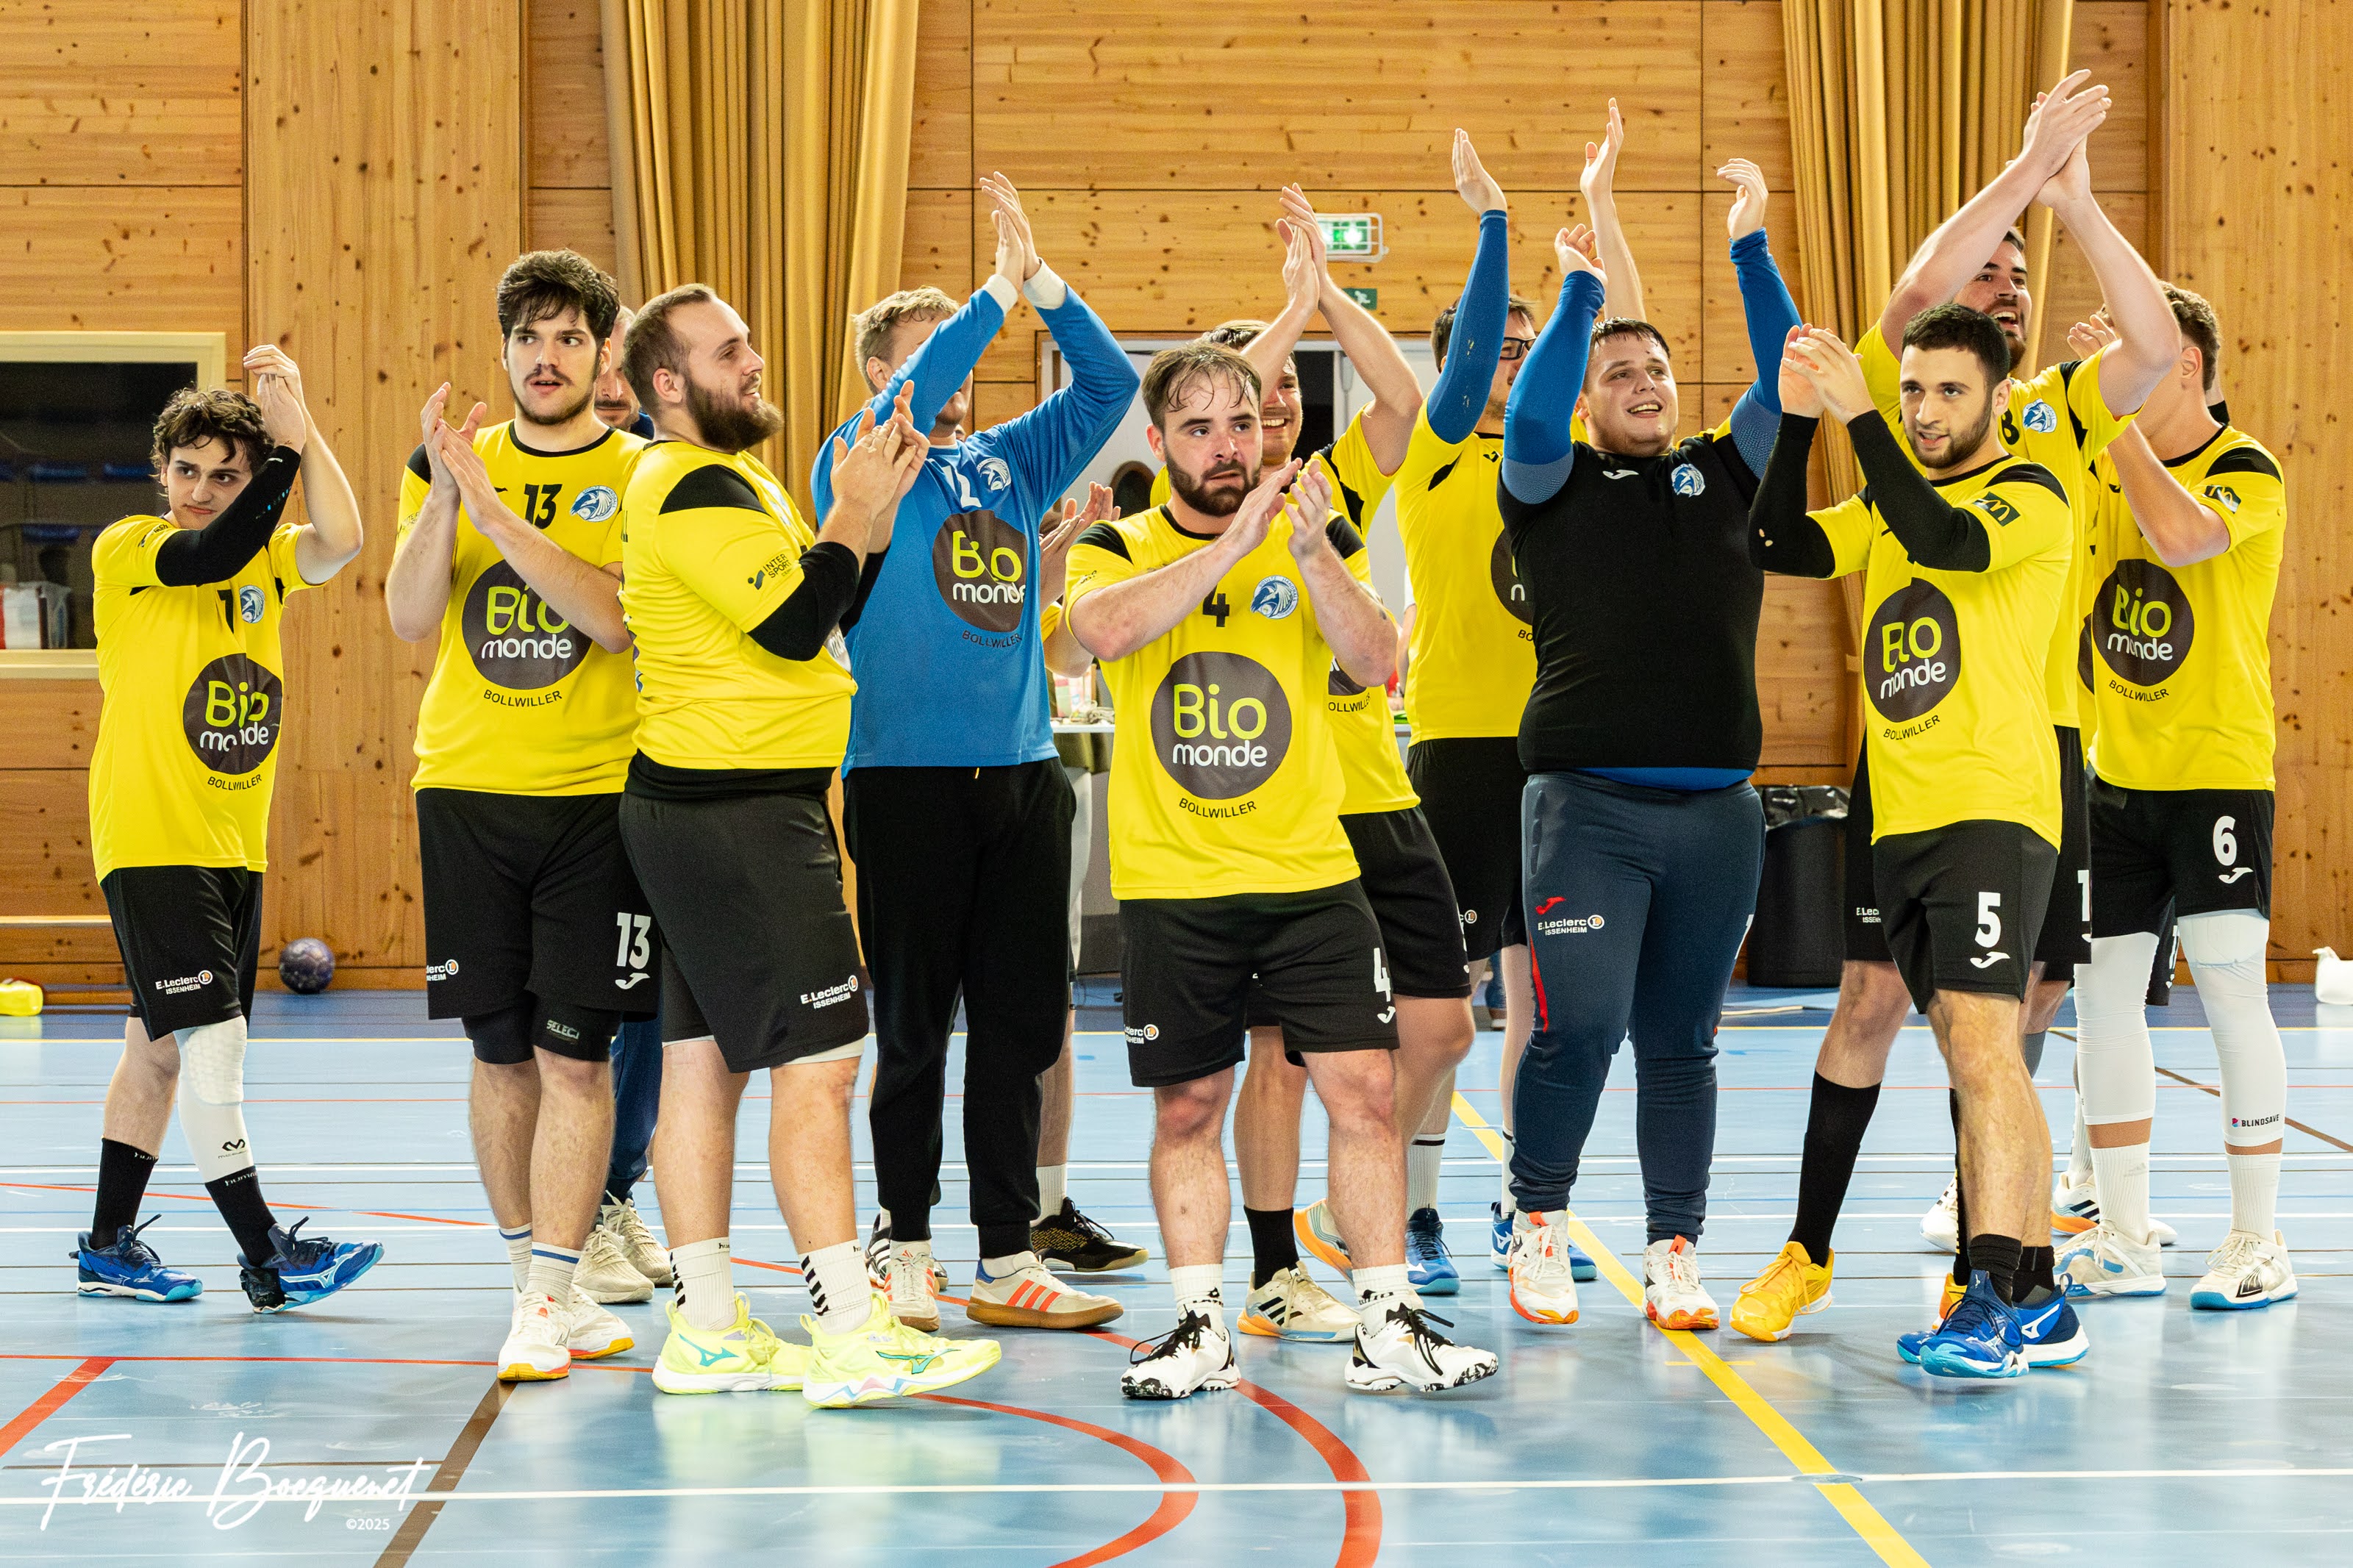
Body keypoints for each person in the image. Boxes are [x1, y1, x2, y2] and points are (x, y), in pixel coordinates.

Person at [1730, 71, 2181, 1342]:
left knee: (1998, 1032)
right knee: (1897, 1009)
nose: (1999, 282)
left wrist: (2073, 199)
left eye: (2017, 277)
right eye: (1986, 269)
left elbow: (2150, 350)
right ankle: (1854, 1256)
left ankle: (2009, 1274)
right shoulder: (1920, 403)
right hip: (1915, 757)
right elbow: (1910, 305)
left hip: (2022, 753)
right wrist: (2020, 176)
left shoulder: (2047, 430)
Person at [1063, 343, 1496, 1398]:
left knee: (1364, 1086)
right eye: (1201, 429)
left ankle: (1390, 1322)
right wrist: (1232, 546)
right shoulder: (1116, 544)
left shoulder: (1305, 535)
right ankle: (1202, 1323)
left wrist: (1312, 560)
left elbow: (1375, 657)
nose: (1226, 447)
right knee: (1187, 1108)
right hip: (1176, 884)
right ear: (1160, 444)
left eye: (1241, 425)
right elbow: (1096, 635)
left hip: (1309, 872)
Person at [615, 282, 1000, 1406]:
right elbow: (791, 625)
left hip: (708, 808)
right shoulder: (687, 486)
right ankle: (848, 1329)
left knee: (702, 1066)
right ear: (671, 384)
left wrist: (861, 521)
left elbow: (827, 608)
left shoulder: (727, 482)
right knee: (823, 1067)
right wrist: (848, 514)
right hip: (739, 815)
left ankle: (710, 1327)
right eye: (731, 349)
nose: (756, 358)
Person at [815, 174, 1138, 1335]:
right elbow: (923, 386)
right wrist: (990, 296)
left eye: (951, 349)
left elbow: (1112, 384)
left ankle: (1006, 1252)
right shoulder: (857, 462)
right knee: (911, 1032)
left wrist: (1043, 285)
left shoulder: (1009, 462)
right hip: (902, 784)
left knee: (1018, 1027)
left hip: (1021, 781)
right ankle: (905, 1245)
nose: (948, 380)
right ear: (880, 377)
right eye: (920, 357)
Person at [1155, 194, 1474, 1328]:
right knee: (1278, 1052)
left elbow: (1407, 397)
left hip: (1378, 795)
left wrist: (1326, 297)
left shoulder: (1334, 480)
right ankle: (1274, 1264)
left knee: (1443, 1023)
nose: (1275, 398)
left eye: (1288, 387)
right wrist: (1277, 330)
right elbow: (1212, 397)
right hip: (1282, 814)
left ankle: (1353, 1204)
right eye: (1258, 390)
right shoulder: (1190, 505)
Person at [1494, 159, 1799, 1333]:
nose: (1643, 383)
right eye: (1618, 372)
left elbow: (1784, 377)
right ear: (1587, 396)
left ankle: (1674, 1246)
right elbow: (1526, 412)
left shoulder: (1727, 470)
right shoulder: (1549, 481)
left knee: (1684, 1042)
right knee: (1581, 1030)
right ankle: (1540, 1221)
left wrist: (1749, 245)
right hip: (1587, 807)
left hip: (1720, 813)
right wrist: (1578, 297)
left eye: (1658, 369)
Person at [1751, 308, 2085, 1378]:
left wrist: (1861, 417)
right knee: (1971, 1049)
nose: (1927, 411)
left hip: (1994, 809)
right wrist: (1802, 424)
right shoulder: (1885, 506)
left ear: (1996, 396)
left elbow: (1947, 540)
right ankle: (2038, 1290)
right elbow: (1777, 542)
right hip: (1900, 816)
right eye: (1911, 393)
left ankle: (1986, 1294)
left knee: (1984, 1045)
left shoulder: (2027, 491)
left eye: (1948, 392)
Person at [385, 250, 649, 1379]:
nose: (547, 359)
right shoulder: (448, 462)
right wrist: (450, 492)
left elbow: (614, 621)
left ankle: (552, 1294)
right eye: (530, 339)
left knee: (578, 1058)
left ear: (601, 353)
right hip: (465, 785)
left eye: (570, 339)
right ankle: (531, 1287)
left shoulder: (643, 472)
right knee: (501, 1057)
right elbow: (408, 616)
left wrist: (495, 505)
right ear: (504, 351)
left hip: (597, 798)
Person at [72, 351, 382, 1313]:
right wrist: (277, 461)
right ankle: (266, 1252)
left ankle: (109, 1243)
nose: (202, 491)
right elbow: (207, 552)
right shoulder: (131, 549)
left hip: (229, 843)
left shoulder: (268, 569)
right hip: (155, 833)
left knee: (156, 1048)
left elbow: (344, 534)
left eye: (226, 475)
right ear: (161, 473)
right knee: (214, 1045)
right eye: (187, 470)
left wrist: (303, 426)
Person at [1399, 123, 1642, 1283]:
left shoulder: (1567, 467)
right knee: (1440, 1006)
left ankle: (1524, 1205)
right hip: (1460, 755)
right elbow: (1461, 374)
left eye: (1523, 348)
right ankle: (1414, 1210)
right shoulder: (1439, 455)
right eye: (1491, 348)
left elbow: (1621, 345)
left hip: (1565, 763)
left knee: (1542, 1004)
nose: (1509, 362)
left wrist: (1595, 244)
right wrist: (1496, 221)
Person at [2056, 291, 2294, 1309]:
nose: (2120, 381)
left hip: (2219, 778)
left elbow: (2187, 539)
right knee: (2102, 1003)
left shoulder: (2245, 468)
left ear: (2185, 365)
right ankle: (2123, 1231)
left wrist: (2112, 432)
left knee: (2234, 992)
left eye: (2139, 358)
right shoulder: (2108, 461)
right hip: (2121, 783)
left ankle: (2257, 1239)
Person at [577, 295, 672, 1307]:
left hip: (660, 772)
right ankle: (579, 1208)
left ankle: (616, 1190)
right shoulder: (548, 468)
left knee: (650, 1004)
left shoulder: (661, 469)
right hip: (567, 778)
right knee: (582, 1012)